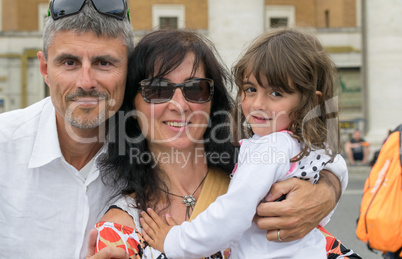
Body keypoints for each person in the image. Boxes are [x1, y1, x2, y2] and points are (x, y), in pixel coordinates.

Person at [94, 29, 356, 258]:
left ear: (213, 101)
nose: (179, 105)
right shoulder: (121, 230)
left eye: (195, 89)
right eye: (157, 90)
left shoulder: (273, 188)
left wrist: (328, 188)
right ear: (132, 105)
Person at [0, 0, 134, 258]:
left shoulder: (156, 160)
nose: (86, 82)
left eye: (104, 63)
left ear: (128, 71)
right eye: (69, 62)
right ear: (45, 69)